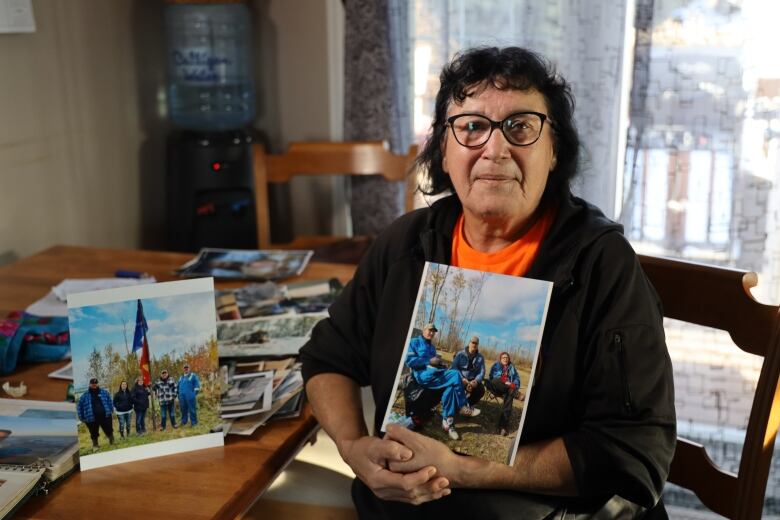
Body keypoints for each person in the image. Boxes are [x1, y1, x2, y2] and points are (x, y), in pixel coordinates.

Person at [300, 46, 675, 518]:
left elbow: (633, 449)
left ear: (554, 149)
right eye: (472, 127)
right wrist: (353, 447)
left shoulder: (603, 265)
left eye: (520, 126)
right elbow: (326, 358)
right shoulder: (407, 244)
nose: (494, 149)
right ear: (443, 148)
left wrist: (465, 469)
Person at [404, 324, 480, 440]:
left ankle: (448, 423)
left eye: (434, 331)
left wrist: (441, 365)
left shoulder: (432, 348)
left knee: (451, 387)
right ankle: (463, 406)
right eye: (430, 330)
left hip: (435, 374)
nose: (432, 333)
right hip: (423, 376)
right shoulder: (414, 342)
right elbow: (409, 361)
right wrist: (428, 360)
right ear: (424, 330)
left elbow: (434, 364)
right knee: (455, 374)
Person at [486, 352, 521, 436]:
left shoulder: (512, 367)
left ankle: (503, 427)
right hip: (496, 387)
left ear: (509, 359)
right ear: (500, 359)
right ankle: (516, 393)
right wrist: (508, 383)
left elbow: (517, 378)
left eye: (507, 358)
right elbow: (494, 377)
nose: (505, 359)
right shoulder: (496, 366)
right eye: (503, 357)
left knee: (509, 396)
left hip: (507, 390)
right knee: (498, 380)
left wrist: (514, 384)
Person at [77, 378, 114, 451]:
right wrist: (81, 417)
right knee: (93, 433)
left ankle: (112, 441)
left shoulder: (104, 392)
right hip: (91, 418)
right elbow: (79, 407)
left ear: (97, 384)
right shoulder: (84, 395)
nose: (94, 385)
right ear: (90, 384)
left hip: (106, 416)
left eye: (96, 383)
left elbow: (110, 401)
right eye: (93, 383)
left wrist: (111, 410)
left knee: (109, 429)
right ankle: (95, 446)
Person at [451, 336, 485, 406]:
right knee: (453, 386)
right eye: (473, 342)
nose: (474, 345)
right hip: (461, 377)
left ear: (478, 345)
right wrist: (461, 378)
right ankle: (456, 404)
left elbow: (482, 371)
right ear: (469, 343)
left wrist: (476, 380)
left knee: (481, 390)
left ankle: (469, 404)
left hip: (473, 379)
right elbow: (454, 366)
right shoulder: (460, 354)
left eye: (476, 343)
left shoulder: (480, 357)